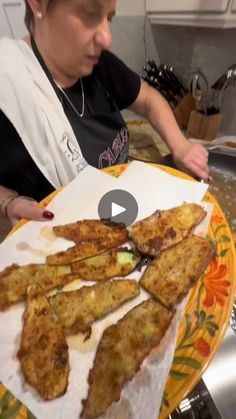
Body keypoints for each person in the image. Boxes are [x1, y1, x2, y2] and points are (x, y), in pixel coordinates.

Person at [0, 0, 209, 227]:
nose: (107, 39)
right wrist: (7, 202)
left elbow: (149, 99)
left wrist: (181, 146)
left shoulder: (99, 65)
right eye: (90, 14)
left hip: (126, 209)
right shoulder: (9, 91)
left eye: (108, 18)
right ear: (39, 4)